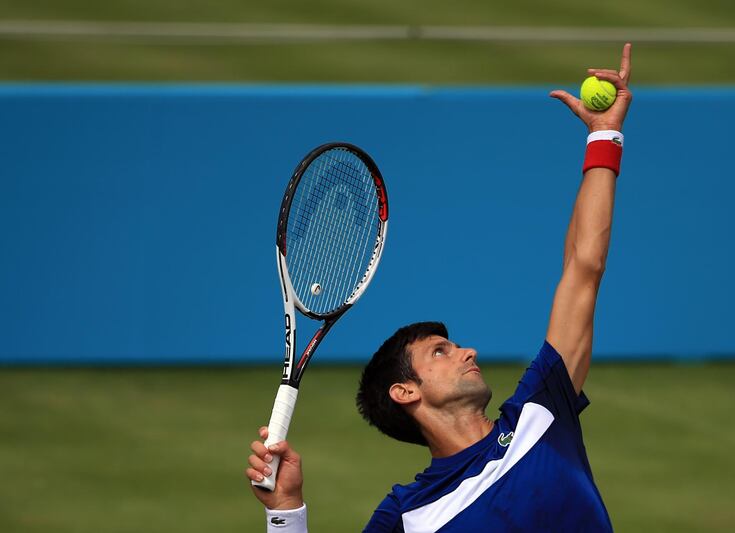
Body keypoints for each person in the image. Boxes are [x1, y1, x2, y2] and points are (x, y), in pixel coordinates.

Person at [247, 43, 634, 532]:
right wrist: (285, 512)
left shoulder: (541, 412)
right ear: (405, 391)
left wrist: (605, 134)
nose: (467, 351)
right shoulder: (407, 516)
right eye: (440, 351)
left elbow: (584, 267)